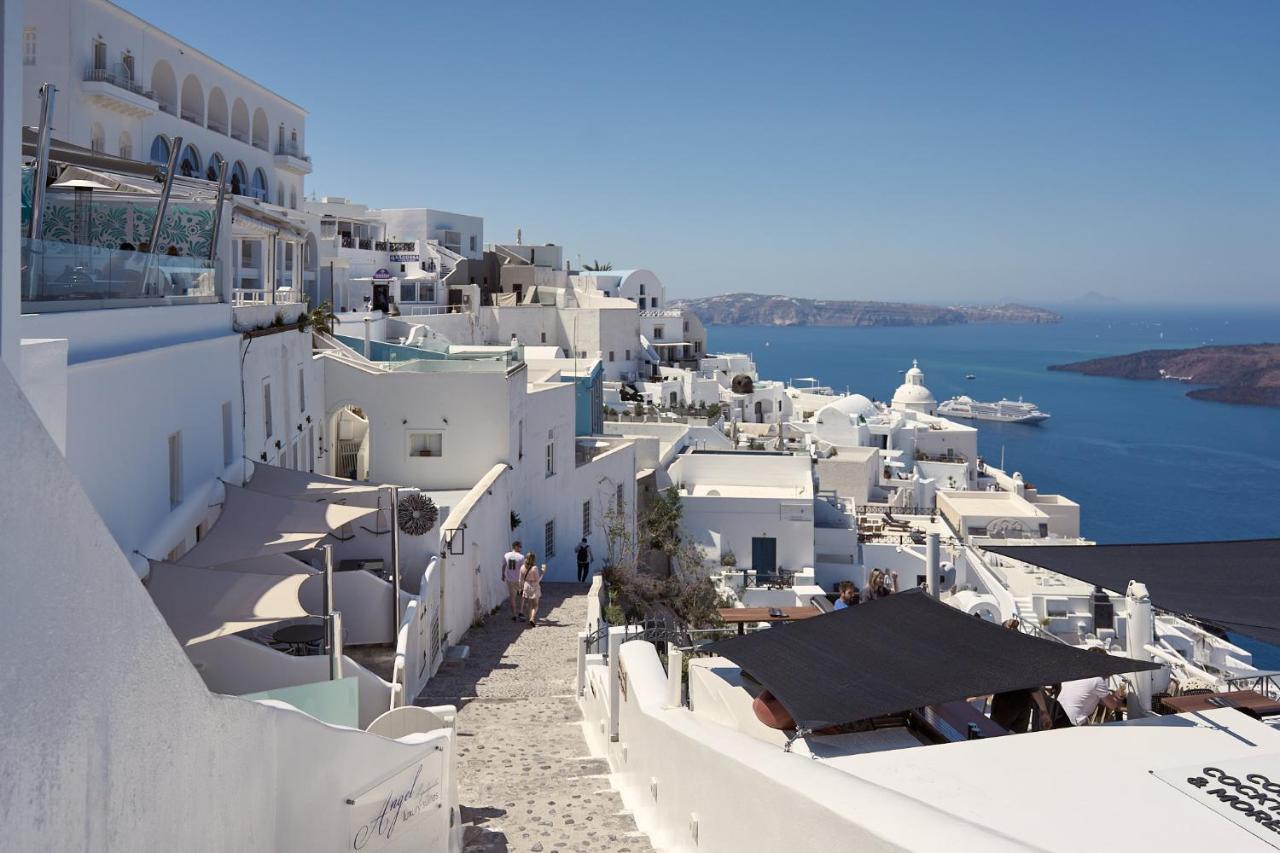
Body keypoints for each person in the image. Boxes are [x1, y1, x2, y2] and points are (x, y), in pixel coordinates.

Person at [1056, 649, 1127, 725]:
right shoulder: (1096, 680)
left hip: (1057, 717)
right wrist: (1120, 697)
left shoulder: (1074, 674)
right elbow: (1113, 705)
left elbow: (1092, 697)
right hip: (1073, 723)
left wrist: (1114, 695)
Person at [502, 540, 524, 621]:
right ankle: (520, 611)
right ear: (515, 546)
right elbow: (522, 569)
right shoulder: (521, 557)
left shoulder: (506, 555)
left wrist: (503, 575)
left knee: (512, 598)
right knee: (522, 595)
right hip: (518, 579)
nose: (521, 548)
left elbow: (504, 566)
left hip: (510, 579)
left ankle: (514, 615)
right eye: (520, 546)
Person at [520, 553, 544, 627]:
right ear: (534, 559)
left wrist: (521, 588)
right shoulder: (534, 568)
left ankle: (529, 618)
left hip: (526, 585)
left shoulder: (522, 567)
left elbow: (520, 580)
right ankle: (532, 618)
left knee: (529, 604)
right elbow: (537, 580)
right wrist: (543, 572)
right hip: (534, 586)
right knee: (535, 605)